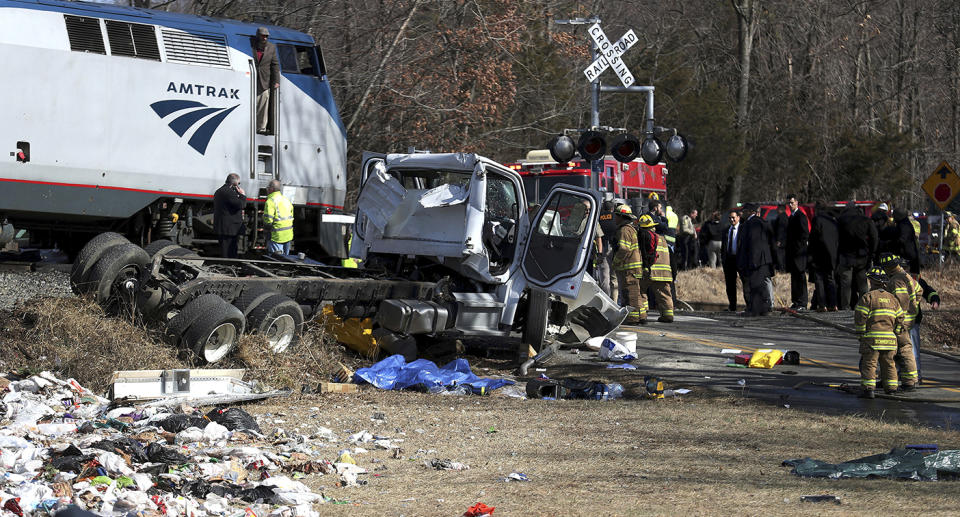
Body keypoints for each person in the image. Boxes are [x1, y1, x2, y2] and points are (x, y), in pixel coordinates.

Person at [854, 266, 906, 398]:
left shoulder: (868, 297)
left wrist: (861, 334)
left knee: (870, 365)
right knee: (889, 365)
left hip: (873, 340)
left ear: (871, 281)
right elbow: (900, 318)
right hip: (890, 340)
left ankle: (868, 390)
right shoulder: (892, 298)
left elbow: (860, 317)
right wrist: (896, 332)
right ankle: (892, 389)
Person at [878, 253, 920, 390]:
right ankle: (896, 379)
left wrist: (898, 319)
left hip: (900, 322)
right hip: (906, 320)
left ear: (888, 267)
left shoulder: (896, 280)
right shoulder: (905, 275)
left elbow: (901, 301)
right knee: (897, 350)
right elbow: (919, 290)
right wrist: (915, 305)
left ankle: (908, 382)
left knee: (901, 350)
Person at [836, 202, 878, 310]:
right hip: (862, 256)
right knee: (863, 283)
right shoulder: (865, 220)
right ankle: (863, 306)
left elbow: (836, 238)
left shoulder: (841, 220)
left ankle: (845, 307)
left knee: (846, 284)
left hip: (846, 256)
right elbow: (874, 237)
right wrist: (871, 253)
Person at [737, 204, 776, 316]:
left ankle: (755, 310)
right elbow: (771, 240)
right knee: (761, 285)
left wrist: (752, 260)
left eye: (743, 211)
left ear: (750, 211)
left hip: (756, 259)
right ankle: (763, 309)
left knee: (755, 285)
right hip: (764, 259)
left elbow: (753, 243)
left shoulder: (751, 224)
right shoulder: (762, 222)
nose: (741, 213)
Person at [638, 214, 674, 322]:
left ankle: (642, 315)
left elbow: (644, 253)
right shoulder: (662, 239)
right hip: (665, 272)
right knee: (664, 294)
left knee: (641, 291)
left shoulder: (644, 236)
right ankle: (668, 315)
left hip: (650, 270)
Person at [612, 205, 645, 324]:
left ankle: (632, 318)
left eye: (616, 216)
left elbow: (624, 249)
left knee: (630, 294)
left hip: (629, 268)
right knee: (636, 293)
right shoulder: (631, 229)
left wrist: (615, 262)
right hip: (634, 268)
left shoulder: (624, 230)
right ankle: (642, 316)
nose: (614, 218)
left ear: (621, 217)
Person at [808, 202, 839, 312]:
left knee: (819, 279)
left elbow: (814, 237)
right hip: (832, 254)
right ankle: (833, 304)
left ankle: (822, 304)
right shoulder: (833, 221)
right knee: (830, 279)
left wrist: (810, 252)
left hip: (819, 254)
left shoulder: (817, 220)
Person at [253, 27, 280, 134]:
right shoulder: (251, 46)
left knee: (263, 103)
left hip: (265, 80)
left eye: (266, 36)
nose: (264, 38)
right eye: (262, 35)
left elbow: (275, 65)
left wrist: (276, 80)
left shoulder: (271, 48)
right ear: (258, 36)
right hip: (252, 79)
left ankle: (261, 127)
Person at [785, 194, 809, 310]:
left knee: (800, 277)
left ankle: (802, 302)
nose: (790, 205)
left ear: (797, 203)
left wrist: (798, 248)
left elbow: (805, 235)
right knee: (794, 278)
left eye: (792, 203)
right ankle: (796, 301)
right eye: (789, 203)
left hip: (799, 254)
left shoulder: (800, 216)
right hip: (792, 254)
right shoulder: (791, 217)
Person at [213, 173, 246, 258]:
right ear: (234, 184)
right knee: (230, 252)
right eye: (238, 184)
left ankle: (227, 266)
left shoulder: (219, 191)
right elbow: (241, 205)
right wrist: (242, 195)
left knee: (224, 250)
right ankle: (229, 267)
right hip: (230, 229)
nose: (239, 186)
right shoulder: (229, 193)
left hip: (223, 227)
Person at [263, 179, 294, 255]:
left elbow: (268, 221)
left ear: (272, 189)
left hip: (276, 236)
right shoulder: (286, 200)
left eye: (268, 187)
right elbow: (291, 216)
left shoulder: (270, 201)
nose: (267, 189)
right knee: (286, 260)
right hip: (288, 235)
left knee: (276, 261)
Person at [721, 209, 743, 312]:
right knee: (730, 284)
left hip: (739, 259)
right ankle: (732, 306)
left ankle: (749, 305)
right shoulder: (726, 230)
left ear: (738, 218)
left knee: (745, 282)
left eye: (734, 217)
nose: (732, 219)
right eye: (730, 218)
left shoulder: (742, 229)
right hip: (729, 259)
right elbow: (723, 247)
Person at [597, 200, 618, 301]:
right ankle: (614, 301)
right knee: (614, 278)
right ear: (612, 209)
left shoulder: (598, 217)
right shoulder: (616, 217)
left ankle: (606, 301)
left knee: (604, 278)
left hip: (603, 248)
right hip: (614, 249)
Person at [773, 204, 788, 272]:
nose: (776, 210)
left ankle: (781, 269)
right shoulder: (785, 216)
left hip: (781, 241)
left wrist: (778, 240)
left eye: (777, 209)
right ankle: (782, 268)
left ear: (780, 209)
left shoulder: (781, 217)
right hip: (784, 240)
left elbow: (780, 229)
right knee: (782, 255)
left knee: (780, 255)